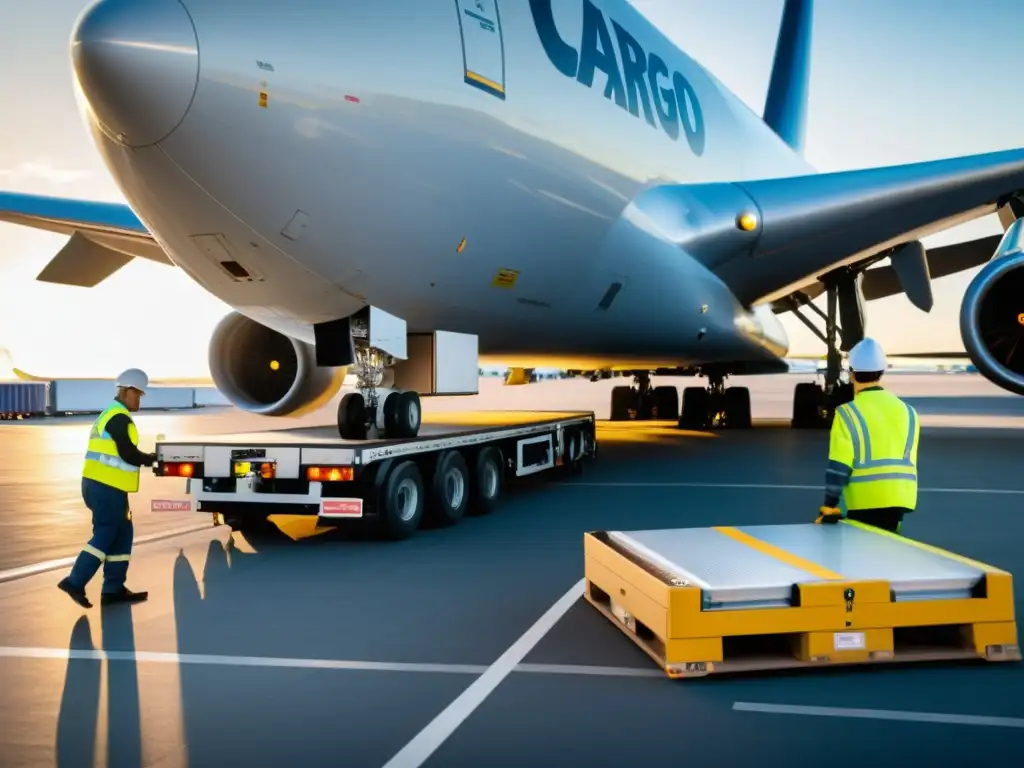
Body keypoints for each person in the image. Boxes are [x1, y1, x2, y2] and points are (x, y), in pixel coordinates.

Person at [57, 369, 158, 608]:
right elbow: (128, 453)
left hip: (108, 486)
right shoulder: (117, 417)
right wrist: (154, 459)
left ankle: (113, 589)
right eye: (138, 394)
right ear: (126, 391)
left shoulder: (114, 414)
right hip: (105, 487)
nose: (139, 399)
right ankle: (75, 581)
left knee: (122, 534)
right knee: (106, 533)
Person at [815, 337, 920, 533]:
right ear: (881, 372)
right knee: (889, 550)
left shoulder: (847, 413)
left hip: (865, 499)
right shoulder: (909, 412)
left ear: (851, 374)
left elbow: (838, 467)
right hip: (902, 498)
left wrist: (829, 505)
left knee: (862, 556)